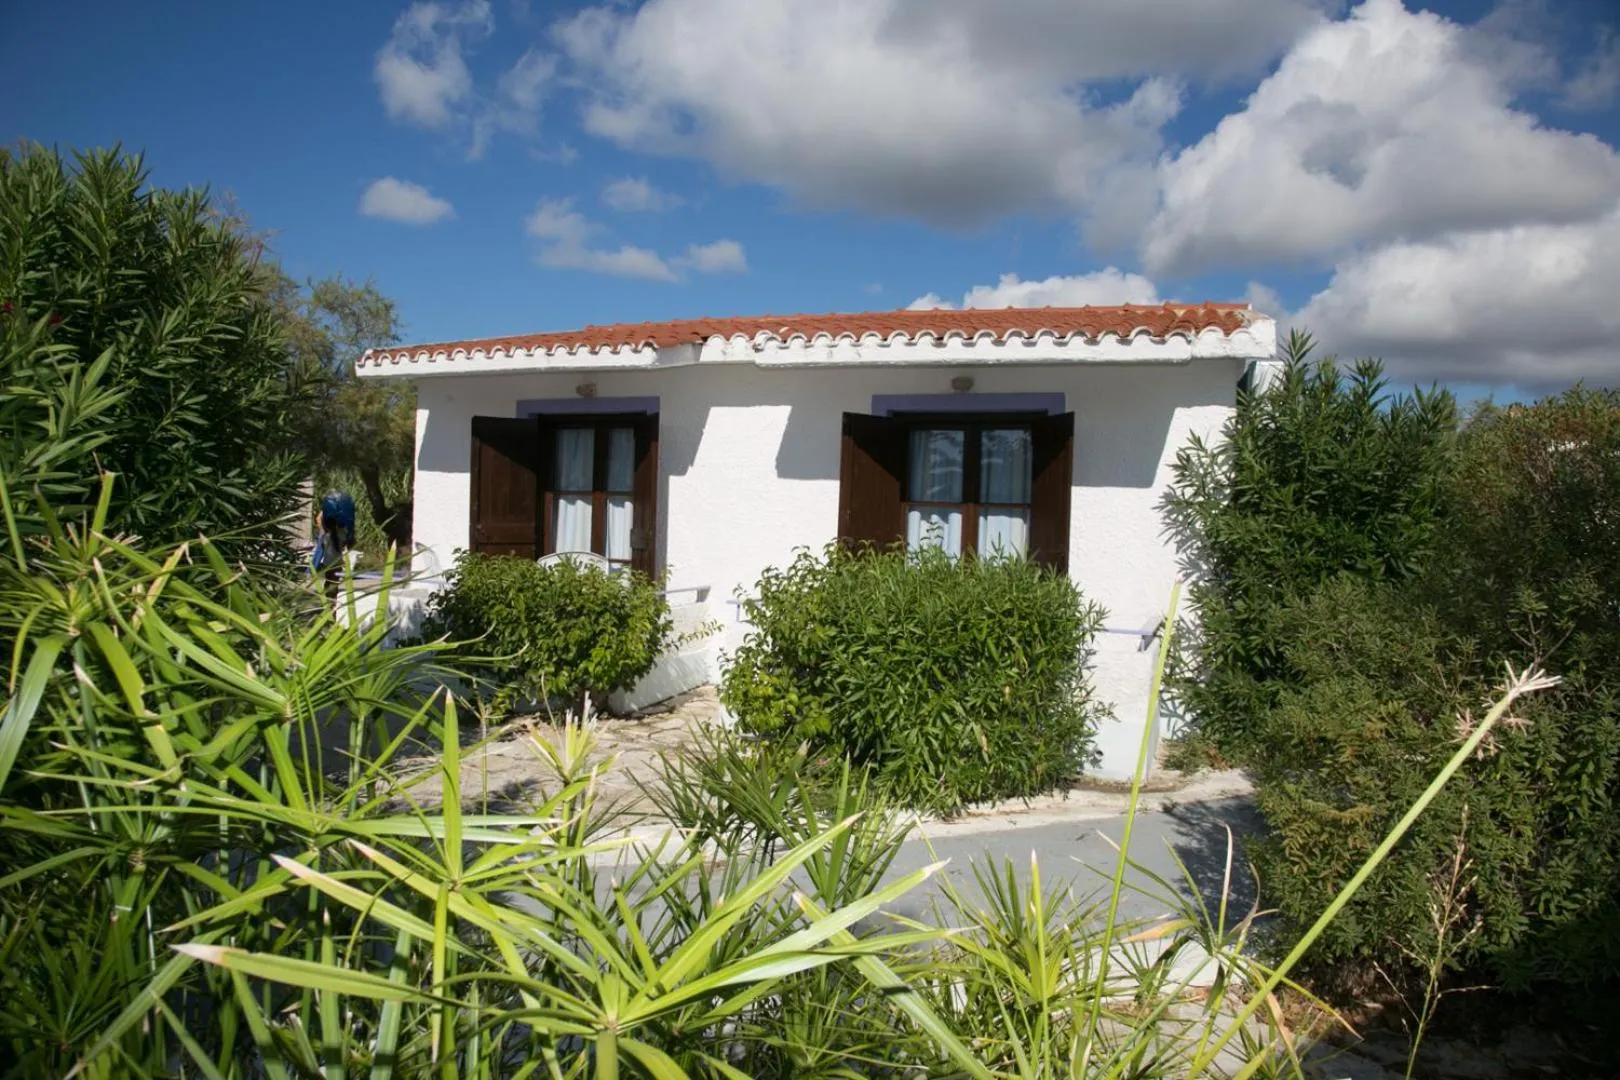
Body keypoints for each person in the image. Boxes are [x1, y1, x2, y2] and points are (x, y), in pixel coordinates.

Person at [311, 491, 356, 596]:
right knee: (333, 583)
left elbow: (319, 519)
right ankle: (332, 602)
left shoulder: (325, 536)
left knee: (329, 582)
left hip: (327, 564)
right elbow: (349, 544)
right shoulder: (341, 534)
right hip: (337, 563)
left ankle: (328, 601)